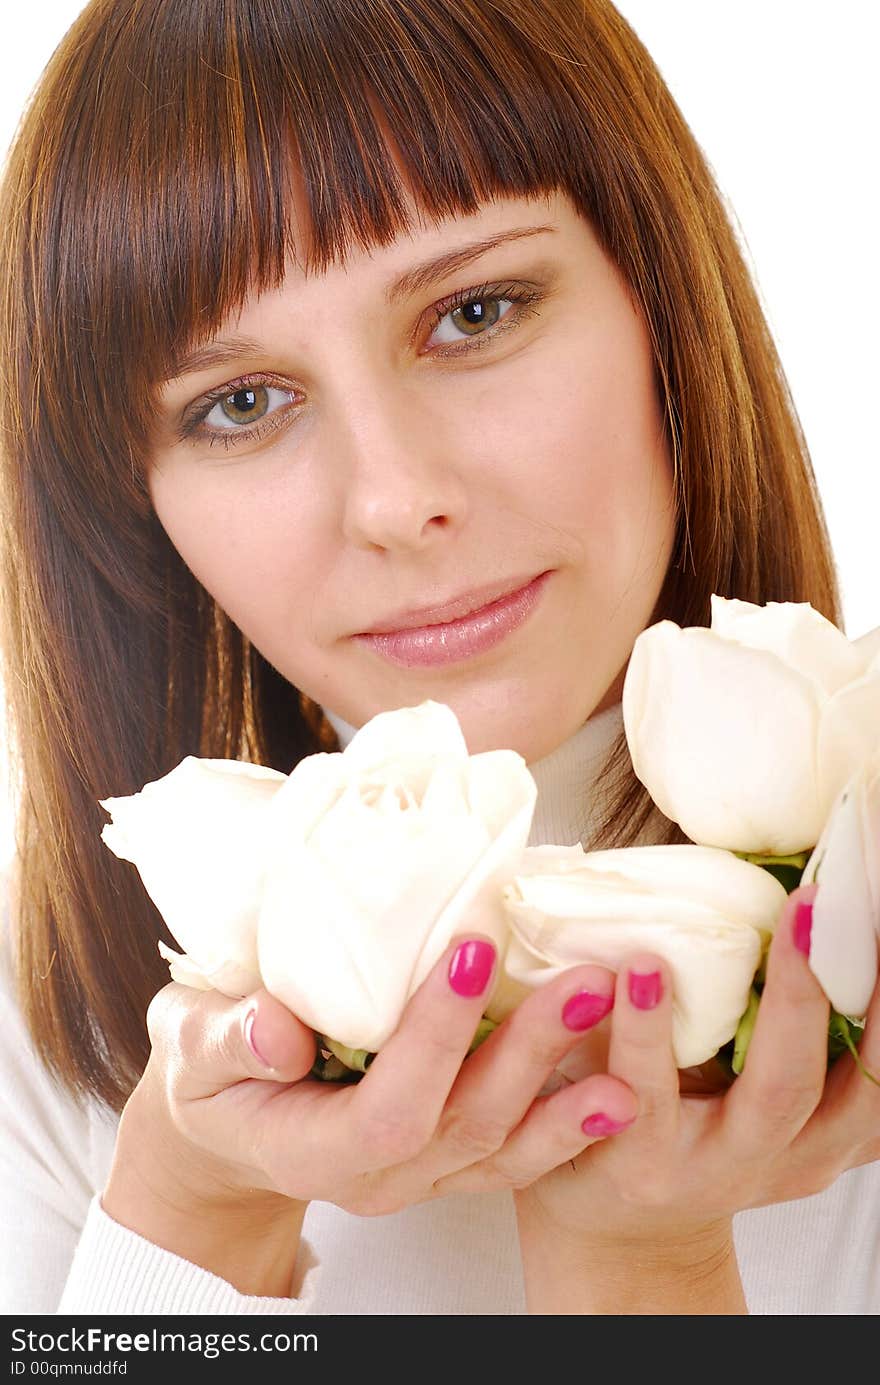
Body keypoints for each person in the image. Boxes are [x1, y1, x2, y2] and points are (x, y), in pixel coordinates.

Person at [0, 0, 877, 1317]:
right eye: (241, 402)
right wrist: (196, 1205)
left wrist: (643, 1262)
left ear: (662, 302)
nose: (397, 497)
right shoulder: (69, 1030)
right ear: (133, 507)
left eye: (475, 312)